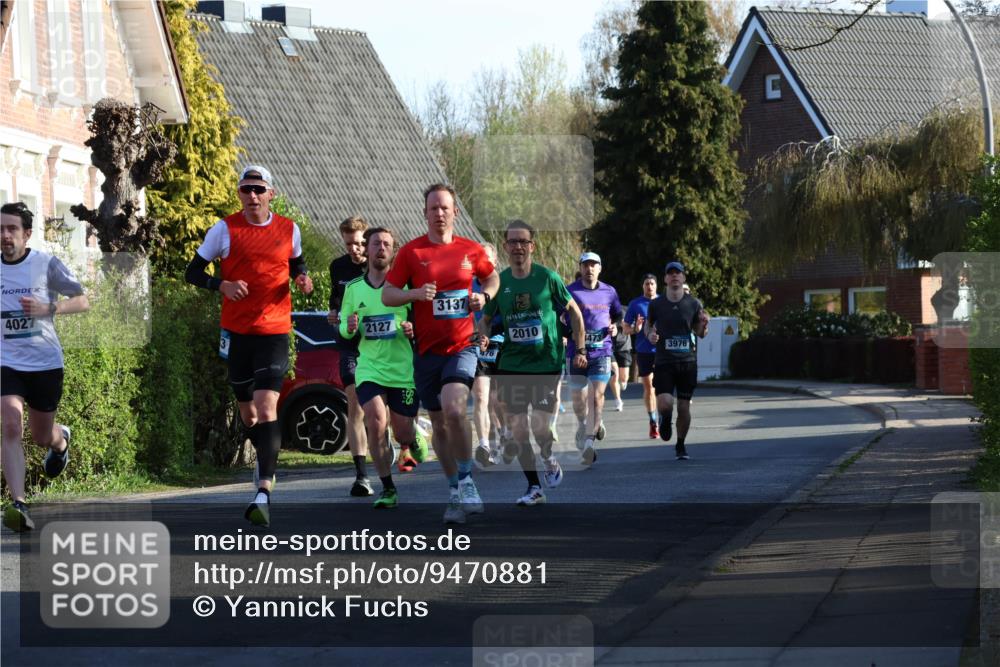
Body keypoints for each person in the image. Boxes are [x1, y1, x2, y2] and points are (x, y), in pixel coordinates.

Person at [185, 165, 313, 526]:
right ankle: (265, 458)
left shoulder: (290, 229)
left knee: (266, 405)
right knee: (249, 415)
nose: (252, 196)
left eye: (258, 189)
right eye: (245, 190)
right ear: (239, 193)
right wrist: (220, 286)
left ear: (271, 193)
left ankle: (264, 490)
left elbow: (297, 263)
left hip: (274, 330)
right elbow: (191, 271)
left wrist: (302, 278)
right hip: (237, 333)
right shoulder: (224, 229)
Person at [382, 184, 499, 524]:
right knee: (439, 425)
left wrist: (484, 298)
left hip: (462, 345)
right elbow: (389, 294)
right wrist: (415, 293)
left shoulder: (470, 249)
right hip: (426, 351)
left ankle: (466, 479)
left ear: (454, 212)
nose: (439, 213)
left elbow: (492, 280)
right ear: (425, 213)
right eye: (433, 208)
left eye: (444, 207)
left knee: (454, 406)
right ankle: (453, 490)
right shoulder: (411, 253)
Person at [481, 220, 586, 505]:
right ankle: (533, 487)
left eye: (523, 241)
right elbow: (486, 319)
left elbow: (574, 312)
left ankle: (549, 457)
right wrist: (482, 337)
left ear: (532, 246)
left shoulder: (547, 277)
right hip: (512, 365)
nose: (517, 246)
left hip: (545, 364)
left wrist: (581, 347)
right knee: (518, 429)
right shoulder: (499, 282)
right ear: (505, 246)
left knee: (540, 427)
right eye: (512, 241)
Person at [1, 202, 89, 532]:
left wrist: (48, 307)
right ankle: (18, 504)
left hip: (44, 363)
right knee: (10, 423)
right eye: (0, 229)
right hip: (5, 362)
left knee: (41, 436)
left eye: (11, 229)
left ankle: (60, 440)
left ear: (27, 234)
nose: (5, 235)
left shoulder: (44, 264)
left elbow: (82, 300)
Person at [339, 227, 424, 508]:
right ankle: (387, 488)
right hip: (370, 368)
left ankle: (414, 440)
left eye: (386, 244)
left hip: (402, 370)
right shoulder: (353, 289)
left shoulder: (406, 289)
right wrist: (350, 328)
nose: (381, 248)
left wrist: (413, 329)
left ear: (393, 251)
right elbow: (344, 329)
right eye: (376, 243)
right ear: (367, 249)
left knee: (402, 433)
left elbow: (423, 326)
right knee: (375, 421)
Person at [644, 261, 709, 460]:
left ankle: (680, 445)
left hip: (687, 362)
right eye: (670, 274)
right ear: (665, 279)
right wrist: (650, 336)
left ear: (683, 278)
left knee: (684, 406)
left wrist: (704, 326)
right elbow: (648, 327)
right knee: (664, 403)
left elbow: (700, 333)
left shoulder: (693, 303)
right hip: (664, 361)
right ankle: (665, 418)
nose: (674, 277)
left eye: (677, 274)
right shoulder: (657, 304)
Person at [327, 216, 373, 496]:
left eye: (358, 244)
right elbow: (335, 301)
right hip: (349, 343)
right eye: (349, 244)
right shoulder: (338, 267)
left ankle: (388, 437)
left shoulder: (379, 266)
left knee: (379, 411)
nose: (354, 249)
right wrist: (334, 314)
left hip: (379, 346)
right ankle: (361, 476)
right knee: (354, 405)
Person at [565, 252, 623, 466]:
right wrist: (567, 332)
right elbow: (559, 318)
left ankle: (589, 444)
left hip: (601, 351)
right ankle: (584, 423)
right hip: (576, 352)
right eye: (585, 265)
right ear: (580, 268)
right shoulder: (570, 291)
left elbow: (617, 314)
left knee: (597, 397)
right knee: (579, 400)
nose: (589, 269)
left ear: (600, 268)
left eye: (593, 265)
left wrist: (614, 327)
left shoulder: (610, 291)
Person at [472, 242, 504, 468]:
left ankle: (505, 434)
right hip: (475, 346)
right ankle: (484, 445)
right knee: (482, 398)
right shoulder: (466, 286)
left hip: (501, 345)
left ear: (495, 262)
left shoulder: (504, 286)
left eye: (487, 258)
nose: (482, 262)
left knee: (498, 401)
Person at [624, 273, 661, 439]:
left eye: (652, 283)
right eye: (647, 283)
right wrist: (636, 329)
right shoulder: (635, 304)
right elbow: (625, 329)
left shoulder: (664, 302)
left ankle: (663, 417)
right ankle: (653, 421)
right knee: (650, 388)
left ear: (656, 286)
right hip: (644, 351)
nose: (650, 286)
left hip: (663, 351)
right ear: (643, 286)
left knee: (663, 389)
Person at [610, 318, 631, 411]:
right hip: (609, 347)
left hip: (624, 346)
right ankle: (618, 400)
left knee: (623, 378)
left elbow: (633, 327)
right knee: (614, 375)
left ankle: (623, 382)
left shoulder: (625, 310)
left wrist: (623, 324)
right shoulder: (603, 309)